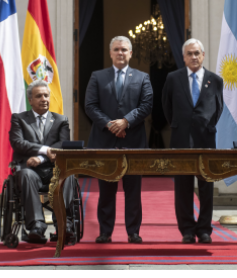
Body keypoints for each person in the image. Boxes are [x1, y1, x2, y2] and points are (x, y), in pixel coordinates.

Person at [84, 36, 153, 244]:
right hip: (105, 142)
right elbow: (90, 105)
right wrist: (111, 125)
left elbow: (146, 105)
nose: (120, 52)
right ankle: (105, 232)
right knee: (106, 191)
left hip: (133, 142)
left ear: (131, 53)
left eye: (124, 49)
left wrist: (126, 121)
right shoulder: (98, 76)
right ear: (110, 53)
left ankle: (133, 232)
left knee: (133, 191)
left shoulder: (142, 78)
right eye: (116, 49)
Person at [162, 38, 224, 244]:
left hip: (205, 140)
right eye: (190, 53)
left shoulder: (215, 80)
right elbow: (167, 108)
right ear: (183, 57)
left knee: (206, 187)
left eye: (197, 53)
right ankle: (187, 230)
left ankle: (204, 229)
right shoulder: (173, 78)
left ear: (203, 55)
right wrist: (182, 125)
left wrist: (204, 125)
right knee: (183, 188)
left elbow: (218, 108)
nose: (194, 57)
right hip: (181, 140)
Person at [9, 80, 76, 244]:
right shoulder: (19, 119)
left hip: (54, 169)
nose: (44, 99)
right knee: (25, 175)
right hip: (29, 171)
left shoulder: (61, 120)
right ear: (30, 100)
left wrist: (40, 157)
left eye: (46, 95)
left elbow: (62, 144)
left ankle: (64, 226)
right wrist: (46, 150)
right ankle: (37, 227)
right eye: (39, 96)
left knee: (68, 175)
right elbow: (18, 142)